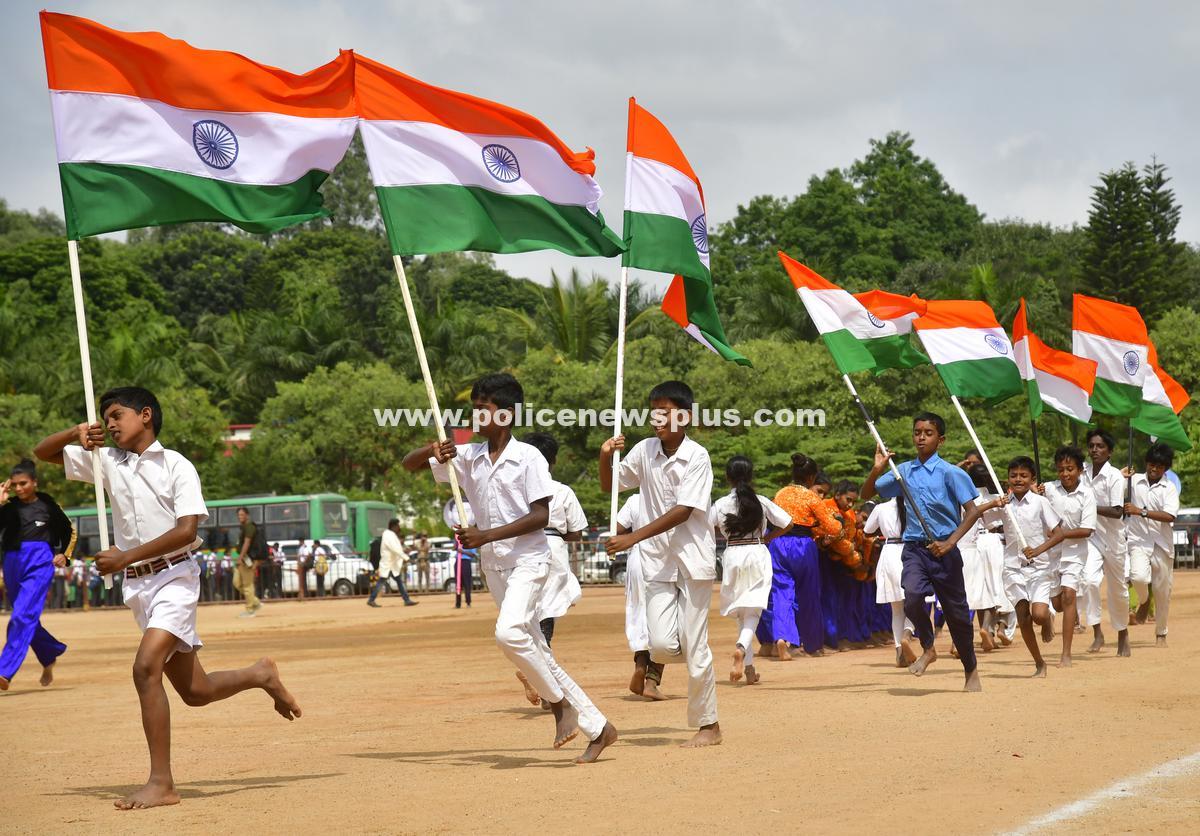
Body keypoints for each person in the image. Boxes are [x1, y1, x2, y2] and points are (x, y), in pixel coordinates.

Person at [34, 386, 301, 810]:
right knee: (196, 691)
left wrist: (124, 557)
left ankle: (162, 783)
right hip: (138, 588)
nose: (111, 424)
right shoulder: (108, 463)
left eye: (117, 415)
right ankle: (260, 674)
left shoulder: (176, 465)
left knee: (145, 668)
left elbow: (187, 531)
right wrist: (74, 432)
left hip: (175, 577)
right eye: (105, 418)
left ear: (146, 416)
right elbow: (42, 454)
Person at [404, 372, 617, 764]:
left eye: (482, 409)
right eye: (474, 408)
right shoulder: (467, 457)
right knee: (537, 650)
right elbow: (408, 465)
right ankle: (599, 727)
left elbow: (540, 515)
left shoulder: (529, 457)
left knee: (507, 634)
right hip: (495, 567)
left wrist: (484, 535)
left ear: (505, 414)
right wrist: (432, 448)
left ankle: (558, 705)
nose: (475, 416)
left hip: (529, 560)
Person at [601, 379, 721, 748]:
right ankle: (688, 655)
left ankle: (708, 725)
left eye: (665, 412)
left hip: (691, 560)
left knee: (696, 646)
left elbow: (684, 511)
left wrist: (632, 537)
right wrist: (605, 455)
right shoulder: (643, 450)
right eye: (654, 412)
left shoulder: (697, 456)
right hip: (656, 564)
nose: (658, 419)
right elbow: (610, 488)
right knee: (661, 646)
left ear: (685, 416)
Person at [860, 412, 985, 692]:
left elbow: (973, 511)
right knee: (913, 597)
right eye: (917, 432)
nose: (921, 437)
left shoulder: (952, 473)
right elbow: (866, 494)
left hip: (945, 550)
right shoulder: (902, 471)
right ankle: (928, 647)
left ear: (940, 440)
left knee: (956, 615)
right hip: (915, 549)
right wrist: (877, 469)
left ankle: (971, 669)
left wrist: (950, 543)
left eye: (928, 433)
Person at [709, 455, 791, 685]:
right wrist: (767, 537)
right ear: (751, 475)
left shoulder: (721, 504)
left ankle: (750, 669)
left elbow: (706, 527)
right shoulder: (761, 501)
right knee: (753, 612)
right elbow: (788, 522)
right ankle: (741, 649)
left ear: (728, 477)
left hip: (733, 553)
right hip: (756, 552)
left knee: (742, 612)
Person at [519, 432, 587, 708]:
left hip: (522, 548)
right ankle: (540, 677)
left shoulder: (517, 489)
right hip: (554, 549)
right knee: (547, 616)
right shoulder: (562, 490)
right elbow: (577, 532)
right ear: (554, 460)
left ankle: (541, 677)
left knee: (529, 614)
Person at [0, 460, 74, 690]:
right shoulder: (8, 506)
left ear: (34, 482)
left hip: (40, 562)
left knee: (21, 617)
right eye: (15, 485)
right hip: (12, 561)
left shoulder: (48, 505)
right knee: (26, 616)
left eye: (23, 484)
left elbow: (69, 530)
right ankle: (49, 652)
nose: (19, 489)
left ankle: (4, 671)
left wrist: (64, 554)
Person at [761, 454, 840, 660]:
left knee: (781, 593)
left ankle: (781, 637)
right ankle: (813, 644)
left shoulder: (780, 493)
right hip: (803, 546)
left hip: (778, 544)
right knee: (809, 595)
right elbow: (832, 526)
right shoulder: (811, 497)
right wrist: (836, 524)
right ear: (812, 477)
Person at [993, 456, 1063, 677]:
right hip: (1013, 568)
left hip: (1039, 568)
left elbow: (1058, 533)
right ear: (1008, 479)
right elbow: (981, 517)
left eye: (1023, 475)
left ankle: (1047, 619)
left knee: (1038, 615)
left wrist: (1039, 550)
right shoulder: (1004, 504)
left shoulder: (1040, 502)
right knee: (1023, 616)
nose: (1018, 479)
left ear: (1032, 478)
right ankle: (1039, 662)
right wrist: (995, 503)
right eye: (1014, 475)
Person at [1043, 446, 1097, 667]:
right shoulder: (1047, 489)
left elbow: (1087, 530)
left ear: (1080, 470)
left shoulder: (1087, 495)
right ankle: (1047, 617)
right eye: (1061, 469)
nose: (1065, 474)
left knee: (1069, 596)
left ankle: (1066, 653)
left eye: (1070, 469)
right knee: (1057, 604)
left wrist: (1062, 533)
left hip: (1075, 553)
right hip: (1051, 553)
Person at [1081, 428, 1132, 656]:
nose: (1095, 450)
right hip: (1091, 538)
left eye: (1100, 446)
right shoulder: (1082, 472)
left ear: (1109, 451)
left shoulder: (1114, 477)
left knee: (1118, 589)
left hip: (1113, 539)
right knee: (1089, 582)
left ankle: (1122, 633)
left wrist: (1089, 507)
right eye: (1092, 446)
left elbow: (1117, 511)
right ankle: (1097, 632)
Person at [1123, 442, 1179, 648]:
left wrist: (1141, 511)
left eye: (1159, 466)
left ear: (1165, 468)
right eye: (1151, 464)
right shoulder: (1133, 481)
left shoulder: (1169, 488)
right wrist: (1121, 476)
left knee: (1163, 592)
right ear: (1146, 463)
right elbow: (1109, 487)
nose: (1154, 469)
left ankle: (1161, 633)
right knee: (1137, 576)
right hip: (1138, 541)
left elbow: (1169, 515)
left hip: (1162, 544)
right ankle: (1144, 600)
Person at [616, 492, 666, 699]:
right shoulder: (670, 496)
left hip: (637, 559)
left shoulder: (635, 499)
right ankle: (652, 681)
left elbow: (618, 528)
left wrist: (636, 528)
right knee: (665, 619)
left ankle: (640, 663)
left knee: (639, 616)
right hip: (664, 558)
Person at [864, 497, 917, 667]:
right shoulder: (913, 504)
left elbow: (867, 529)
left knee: (897, 610)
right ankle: (907, 634)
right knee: (917, 604)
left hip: (889, 554)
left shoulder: (881, 507)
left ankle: (899, 650)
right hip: (910, 552)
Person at [367, 519, 417, 607]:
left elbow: (397, 549)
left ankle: (406, 600)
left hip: (392, 564)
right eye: (398, 525)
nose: (399, 527)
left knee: (399, 581)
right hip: (388, 564)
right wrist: (406, 558)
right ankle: (371, 599)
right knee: (382, 582)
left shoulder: (391, 535)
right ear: (393, 526)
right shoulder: (388, 535)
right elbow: (395, 549)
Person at [234, 508, 262, 618]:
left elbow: (247, 542)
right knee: (237, 583)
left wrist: (240, 557)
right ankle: (255, 602)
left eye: (242, 514)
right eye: (238, 515)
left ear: (247, 515)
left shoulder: (250, 527)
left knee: (247, 585)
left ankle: (250, 609)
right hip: (243, 559)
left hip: (248, 560)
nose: (240, 516)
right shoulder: (244, 527)